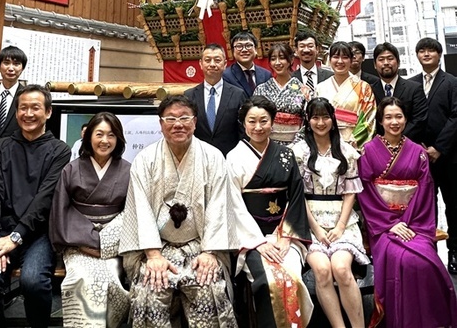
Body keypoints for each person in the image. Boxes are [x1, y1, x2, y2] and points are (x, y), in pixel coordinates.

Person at [119, 95, 238, 328]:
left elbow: (219, 205)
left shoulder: (213, 157)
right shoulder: (145, 160)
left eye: (185, 118)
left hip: (201, 245)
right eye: (171, 118)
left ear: (194, 122)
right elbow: (139, 208)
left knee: (209, 287)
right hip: (157, 246)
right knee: (150, 288)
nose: (178, 124)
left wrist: (210, 252)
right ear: (161, 124)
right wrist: (153, 256)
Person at [0, 84, 71, 328]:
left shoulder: (60, 150)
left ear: (48, 112)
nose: (28, 113)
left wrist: (16, 237)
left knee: (33, 282)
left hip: (38, 234)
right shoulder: (0, 147)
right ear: (16, 113)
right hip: (1, 231)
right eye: (23, 108)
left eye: (35, 108)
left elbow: (44, 199)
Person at [358, 97, 457, 328]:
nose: (394, 122)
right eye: (389, 117)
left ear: (406, 119)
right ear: (380, 121)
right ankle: (403, 320)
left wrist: (408, 223)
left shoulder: (418, 152)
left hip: (414, 222)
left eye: (399, 116)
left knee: (427, 262)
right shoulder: (368, 151)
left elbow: (425, 190)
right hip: (382, 225)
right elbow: (366, 191)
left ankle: (430, 321)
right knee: (401, 259)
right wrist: (390, 223)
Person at [227, 95, 313, 328]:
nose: (258, 127)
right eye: (252, 121)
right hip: (251, 237)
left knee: (292, 278)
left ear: (272, 122)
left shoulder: (286, 155)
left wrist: (286, 236)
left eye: (263, 121)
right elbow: (234, 204)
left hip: (283, 233)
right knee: (268, 281)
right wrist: (257, 242)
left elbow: (295, 197)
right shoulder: (234, 158)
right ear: (243, 123)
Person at [292, 98, 369, 328]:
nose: (320, 122)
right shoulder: (298, 152)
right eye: (315, 117)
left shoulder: (346, 150)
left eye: (325, 116)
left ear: (333, 120)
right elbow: (298, 195)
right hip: (309, 221)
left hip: (341, 220)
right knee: (323, 270)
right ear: (308, 120)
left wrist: (340, 226)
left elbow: (350, 193)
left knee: (342, 268)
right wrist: (315, 228)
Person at [49, 112, 131, 327]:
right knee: (83, 279)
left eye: (111, 135)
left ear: (118, 139)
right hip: (77, 244)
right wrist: (86, 243)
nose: (105, 141)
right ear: (88, 137)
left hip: (114, 246)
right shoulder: (72, 169)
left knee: (111, 280)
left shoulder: (128, 170)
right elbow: (61, 209)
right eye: (99, 134)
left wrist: (107, 243)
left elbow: (132, 211)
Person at [409, 37, 457, 274]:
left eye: (431, 51)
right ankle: (430, 255)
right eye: (422, 51)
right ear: (417, 55)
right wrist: (418, 148)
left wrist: (439, 148)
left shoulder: (452, 83)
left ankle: (455, 252)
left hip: (448, 157)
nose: (426, 54)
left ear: (439, 55)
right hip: (418, 157)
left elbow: (455, 117)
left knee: (453, 205)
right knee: (425, 207)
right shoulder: (411, 84)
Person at [184, 43, 247, 156]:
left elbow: (244, 132)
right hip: (198, 158)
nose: (212, 64)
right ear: (201, 64)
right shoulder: (189, 95)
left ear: (225, 64)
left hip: (229, 158)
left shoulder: (238, 94)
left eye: (217, 60)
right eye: (207, 60)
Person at [315, 41, 376, 146]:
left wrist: (351, 144)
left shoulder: (363, 87)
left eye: (345, 57)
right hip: (325, 141)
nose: (340, 61)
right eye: (335, 57)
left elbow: (368, 119)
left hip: (352, 142)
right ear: (329, 59)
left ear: (351, 60)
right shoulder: (320, 87)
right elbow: (314, 117)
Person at [254, 42, 311, 144]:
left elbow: (308, 119)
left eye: (282, 58)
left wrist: (296, 144)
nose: (277, 62)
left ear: (291, 60)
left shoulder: (303, 89)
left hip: (296, 144)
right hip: (266, 143)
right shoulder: (261, 89)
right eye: (273, 59)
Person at [371, 42, 427, 143]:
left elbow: (419, 120)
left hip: (408, 146)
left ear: (398, 62)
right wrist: (382, 143)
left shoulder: (414, 88)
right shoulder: (369, 90)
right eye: (381, 59)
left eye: (390, 58)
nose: (386, 62)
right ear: (375, 65)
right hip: (378, 147)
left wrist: (396, 141)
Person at [223, 31, 272, 96]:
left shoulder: (266, 75)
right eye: (239, 46)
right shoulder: (226, 76)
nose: (244, 50)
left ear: (256, 50)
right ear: (233, 51)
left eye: (248, 45)